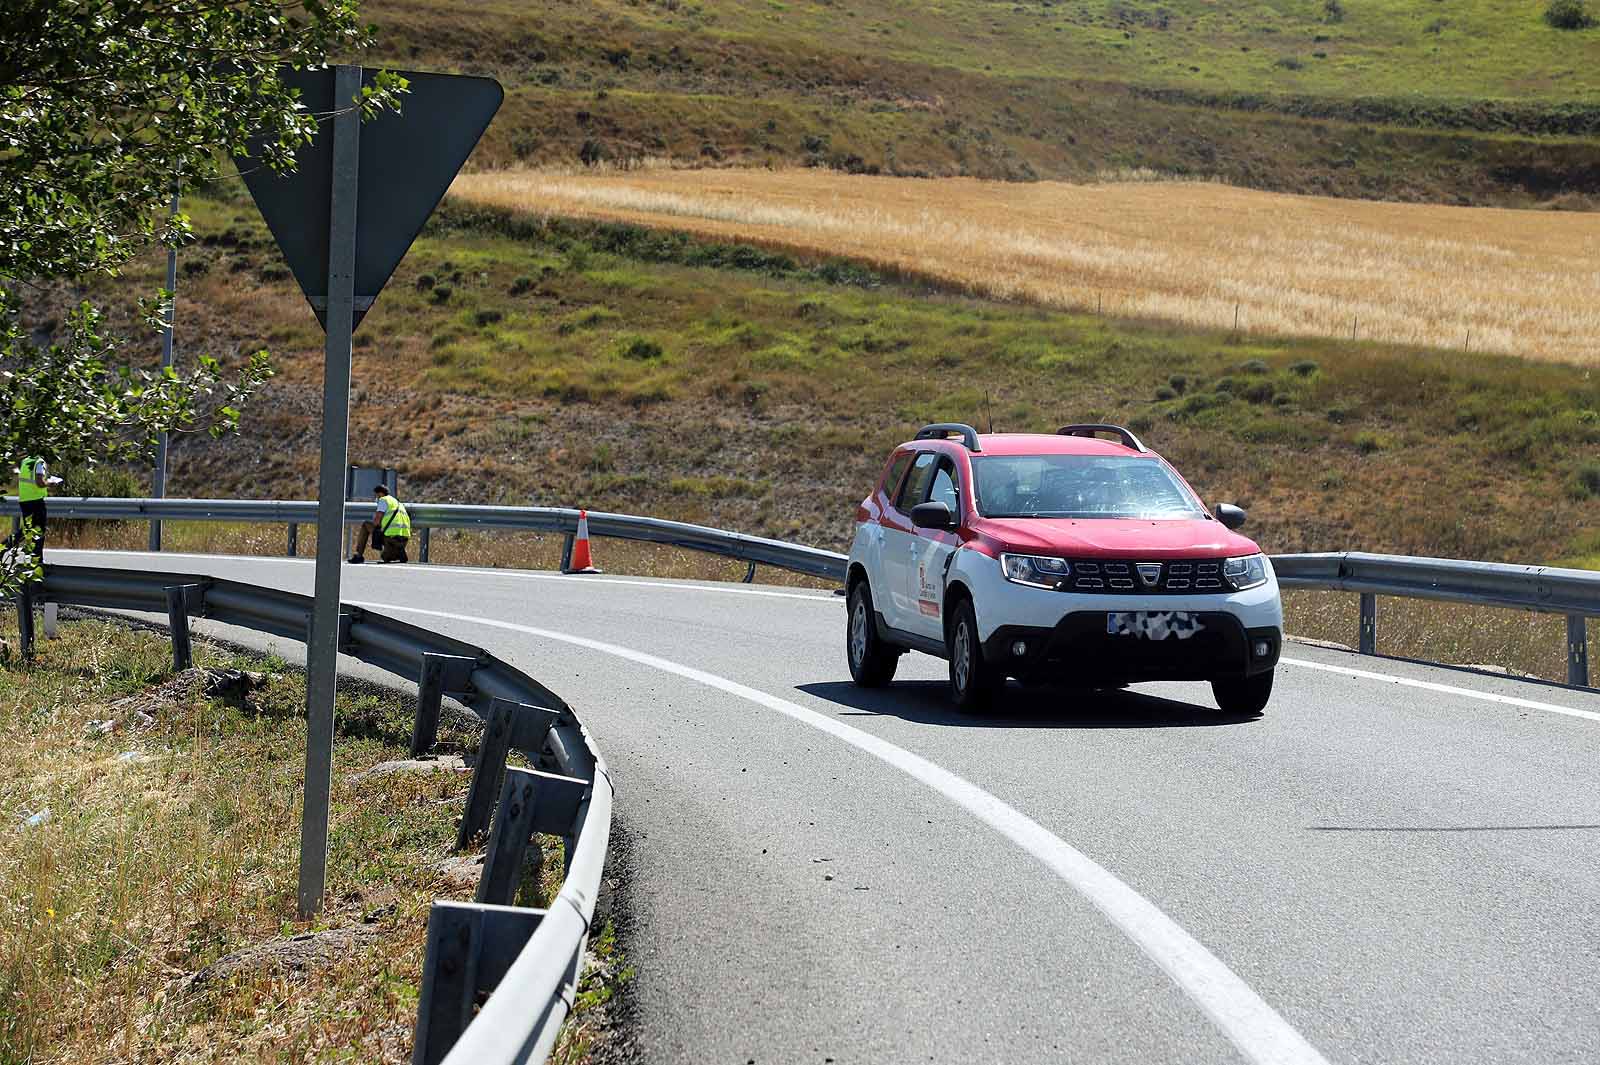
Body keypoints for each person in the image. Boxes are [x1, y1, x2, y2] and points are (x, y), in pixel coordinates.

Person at [10, 456, 58, 561]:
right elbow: (39, 482)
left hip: (24, 500)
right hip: (35, 500)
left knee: (27, 530)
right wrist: (51, 483)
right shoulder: (39, 462)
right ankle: (37, 559)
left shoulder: (26, 460)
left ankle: (4, 547)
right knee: (38, 530)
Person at [349, 484, 411, 564]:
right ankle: (398, 552)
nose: (376, 498)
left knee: (366, 525)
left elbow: (377, 520)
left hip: (391, 537)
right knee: (385, 557)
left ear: (380, 494)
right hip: (404, 539)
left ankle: (358, 556)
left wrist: (375, 535)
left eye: (376, 495)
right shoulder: (398, 503)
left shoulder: (383, 500)